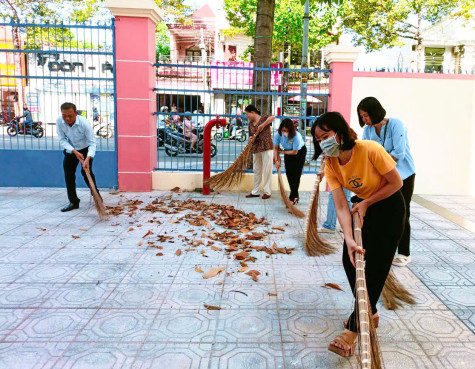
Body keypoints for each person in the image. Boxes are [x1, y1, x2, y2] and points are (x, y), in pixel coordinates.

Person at [311, 112, 405, 358]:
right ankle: (369, 312)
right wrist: (349, 238)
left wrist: (366, 203)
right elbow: (341, 205)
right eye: (319, 139)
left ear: (340, 133)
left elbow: (396, 183)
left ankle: (354, 328)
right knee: (349, 258)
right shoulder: (331, 164)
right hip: (362, 207)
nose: (323, 143)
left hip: (389, 208)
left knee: (375, 268)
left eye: (326, 136)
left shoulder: (369, 149)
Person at [358, 97, 416, 267]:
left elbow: (399, 152)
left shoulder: (395, 124)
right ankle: (377, 249)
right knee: (380, 213)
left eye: (366, 116)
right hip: (382, 177)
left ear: (375, 112)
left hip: (404, 175)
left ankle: (404, 253)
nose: (364, 120)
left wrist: (378, 164)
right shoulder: (368, 131)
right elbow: (364, 151)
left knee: (402, 213)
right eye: (361, 117)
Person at [56, 102, 100, 212]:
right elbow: (62, 139)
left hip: (85, 149)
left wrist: (88, 158)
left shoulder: (84, 123)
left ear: (76, 113)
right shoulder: (59, 122)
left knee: (86, 173)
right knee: (69, 174)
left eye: (70, 115)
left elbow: (92, 143)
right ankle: (73, 202)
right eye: (64, 115)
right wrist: (74, 151)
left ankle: (98, 199)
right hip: (71, 149)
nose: (67, 118)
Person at [273, 118, 306, 204]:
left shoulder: (296, 136)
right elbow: (276, 148)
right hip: (287, 152)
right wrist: (276, 160)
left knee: (296, 174)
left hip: (299, 152)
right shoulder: (278, 135)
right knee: (289, 173)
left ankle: (292, 197)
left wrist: (283, 152)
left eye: (287, 131)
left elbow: (295, 152)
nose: (285, 132)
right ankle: (295, 195)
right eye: (283, 130)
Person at [245, 104, 275, 199]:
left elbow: (273, 117)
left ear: (253, 112)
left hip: (266, 147)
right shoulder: (250, 124)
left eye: (247, 114)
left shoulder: (264, 118)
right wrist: (251, 139)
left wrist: (262, 125)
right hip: (256, 148)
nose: (247, 117)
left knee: (267, 170)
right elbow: (251, 136)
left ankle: (267, 192)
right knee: (257, 170)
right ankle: (255, 191)